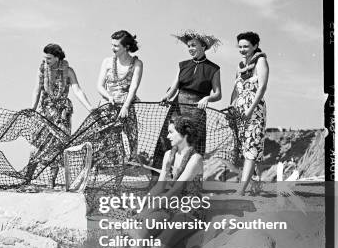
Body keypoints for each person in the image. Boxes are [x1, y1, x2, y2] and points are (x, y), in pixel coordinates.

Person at [121, 116, 204, 248]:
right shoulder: (168, 155)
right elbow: (160, 187)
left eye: (171, 132)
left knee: (162, 242)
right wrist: (143, 205)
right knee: (142, 233)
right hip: (169, 204)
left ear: (184, 133)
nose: (167, 136)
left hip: (189, 209)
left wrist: (146, 212)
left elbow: (176, 190)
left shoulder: (195, 159)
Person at [27, 43, 94, 187]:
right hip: (45, 111)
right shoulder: (42, 71)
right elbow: (36, 90)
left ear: (57, 58)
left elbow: (77, 90)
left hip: (62, 114)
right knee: (36, 145)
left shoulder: (68, 71)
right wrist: (32, 108)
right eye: (45, 58)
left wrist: (90, 108)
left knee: (58, 147)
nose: (46, 61)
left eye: (49, 58)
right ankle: (27, 178)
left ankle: (51, 181)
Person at [152, 31, 222, 168]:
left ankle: (187, 183)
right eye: (188, 46)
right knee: (167, 141)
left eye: (193, 45)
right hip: (177, 109)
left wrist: (207, 98)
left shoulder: (213, 69)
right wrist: (166, 97)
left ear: (203, 46)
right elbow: (173, 89)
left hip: (197, 111)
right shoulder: (183, 65)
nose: (190, 48)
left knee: (192, 144)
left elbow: (218, 94)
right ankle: (159, 179)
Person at [94, 30, 143, 186]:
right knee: (110, 145)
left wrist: (126, 107)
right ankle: (101, 182)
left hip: (126, 107)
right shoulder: (107, 62)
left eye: (116, 45)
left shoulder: (137, 64)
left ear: (126, 46)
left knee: (131, 143)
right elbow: (99, 86)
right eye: (112, 45)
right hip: (108, 107)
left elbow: (134, 87)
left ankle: (118, 183)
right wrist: (109, 97)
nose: (112, 48)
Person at [229, 31, 269, 195]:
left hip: (254, 112)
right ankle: (253, 184)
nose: (242, 49)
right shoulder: (239, 67)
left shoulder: (261, 61)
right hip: (238, 113)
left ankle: (241, 190)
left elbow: (262, 87)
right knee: (243, 149)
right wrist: (231, 108)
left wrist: (250, 109)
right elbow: (235, 91)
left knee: (251, 149)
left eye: (246, 46)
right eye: (240, 47)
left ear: (255, 46)